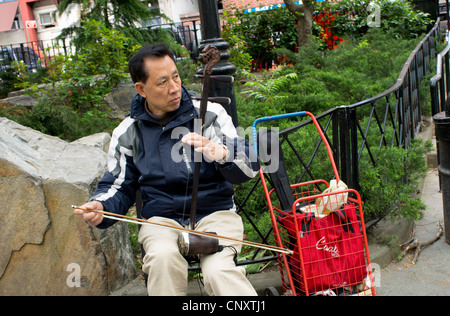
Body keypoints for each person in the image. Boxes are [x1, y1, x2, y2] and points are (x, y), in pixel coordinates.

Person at [73, 44, 260, 296]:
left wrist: (222, 153)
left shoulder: (210, 114)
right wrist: (102, 207)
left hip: (215, 213)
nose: (174, 88)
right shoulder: (128, 131)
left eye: (176, 76)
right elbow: (118, 185)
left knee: (219, 271)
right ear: (141, 89)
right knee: (162, 259)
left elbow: (249, 165)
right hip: (161, 220)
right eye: (162, 82)